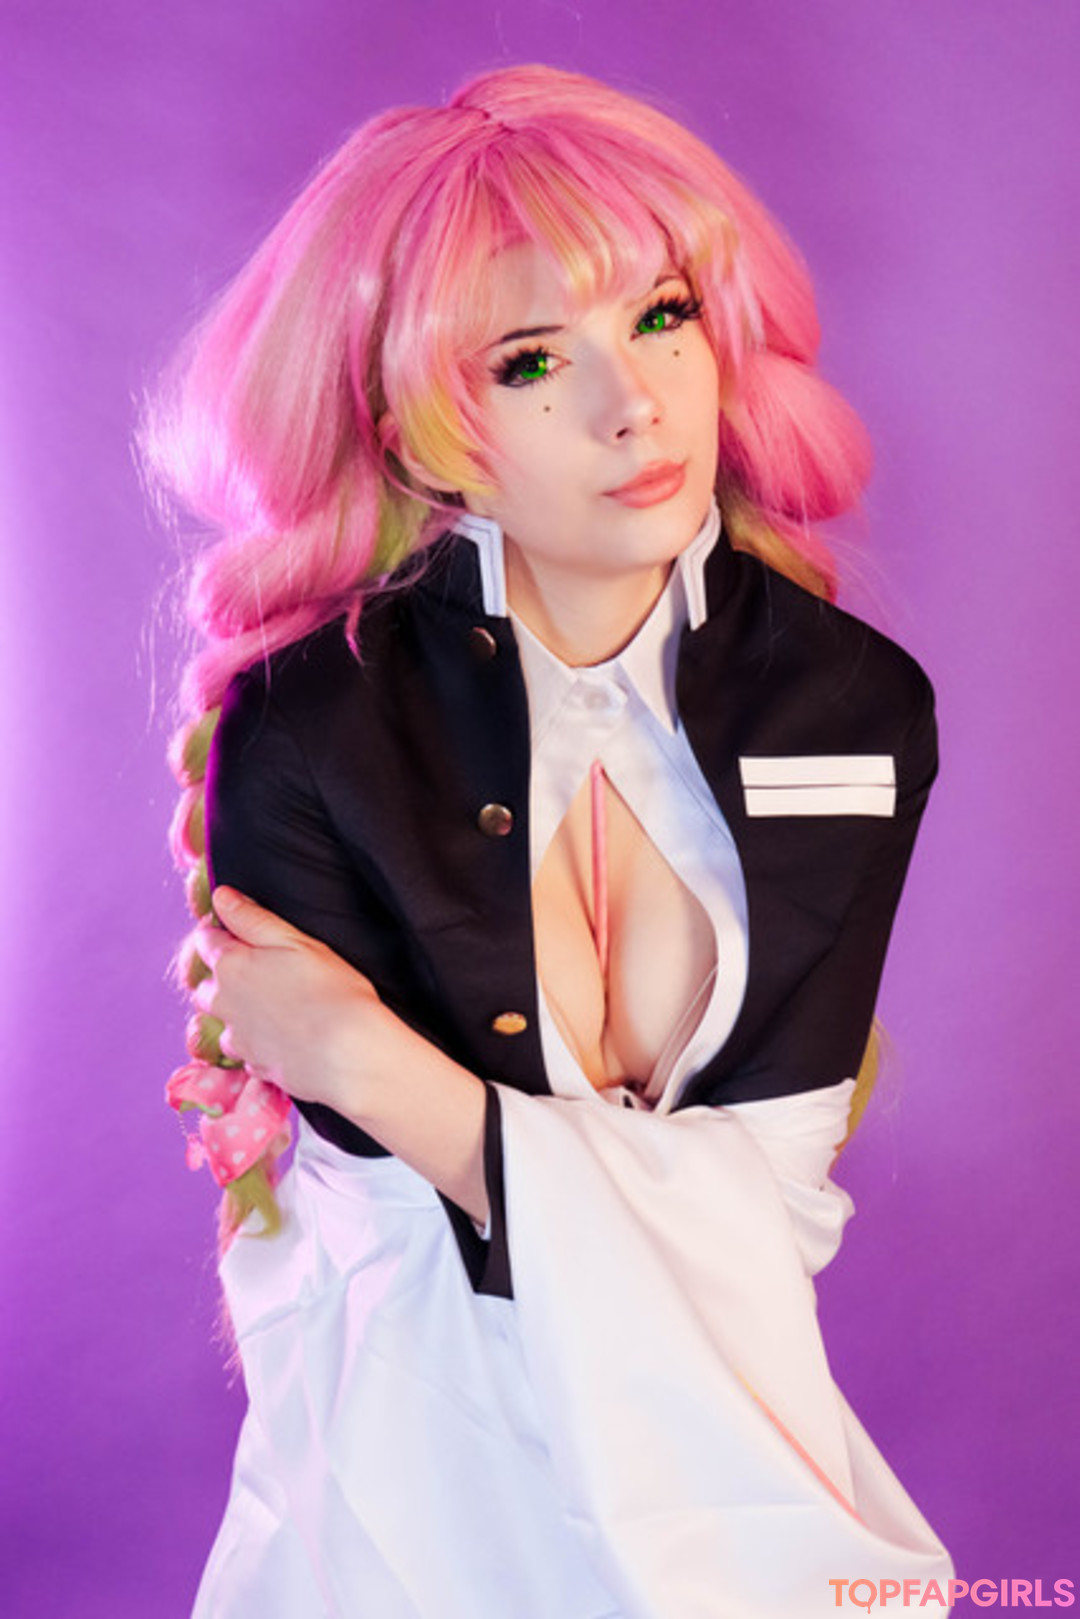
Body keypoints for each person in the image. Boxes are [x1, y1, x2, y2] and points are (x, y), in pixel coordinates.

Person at [151, 64, 953, 1618]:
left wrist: (376, 1066)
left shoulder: (856, 704)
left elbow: (775, 1205)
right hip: (409, 1471)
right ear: (413, 436)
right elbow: (394, 1228)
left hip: (725, 1455)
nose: (631, 403)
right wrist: (475, 1149)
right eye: (530, 360)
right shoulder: (308, 727)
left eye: (662, 315)